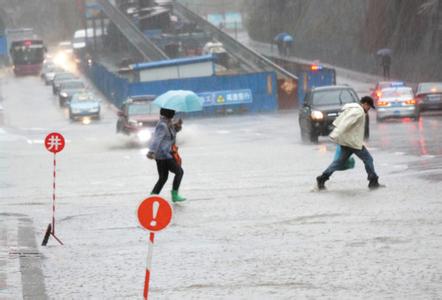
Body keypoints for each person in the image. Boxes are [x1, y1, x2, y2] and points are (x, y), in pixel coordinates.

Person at [316, 96, 383, 190]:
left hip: (347, 141)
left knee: (339, 162)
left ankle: (322, 178)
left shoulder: (353, 108)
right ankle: (373, 181)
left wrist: (337, 133)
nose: (369, 109)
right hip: (353, 142)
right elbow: (345, 123)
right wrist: (335, 133)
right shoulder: (358, 112)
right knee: (368, 159)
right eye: (369, 107)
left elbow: (340, 120)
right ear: (365, 104)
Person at [147, 108, 186, 202]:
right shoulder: (162, 125)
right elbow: (156, 139)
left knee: (163, 177)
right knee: (179, 172)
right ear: (169, 114)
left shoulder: (168, 123)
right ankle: (174, 194)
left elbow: (171, 135)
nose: (174, 114)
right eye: (173, 113)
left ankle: (153, 196)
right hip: (163, 155)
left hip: (166, 154)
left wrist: (177, 126)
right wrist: (151, 151)